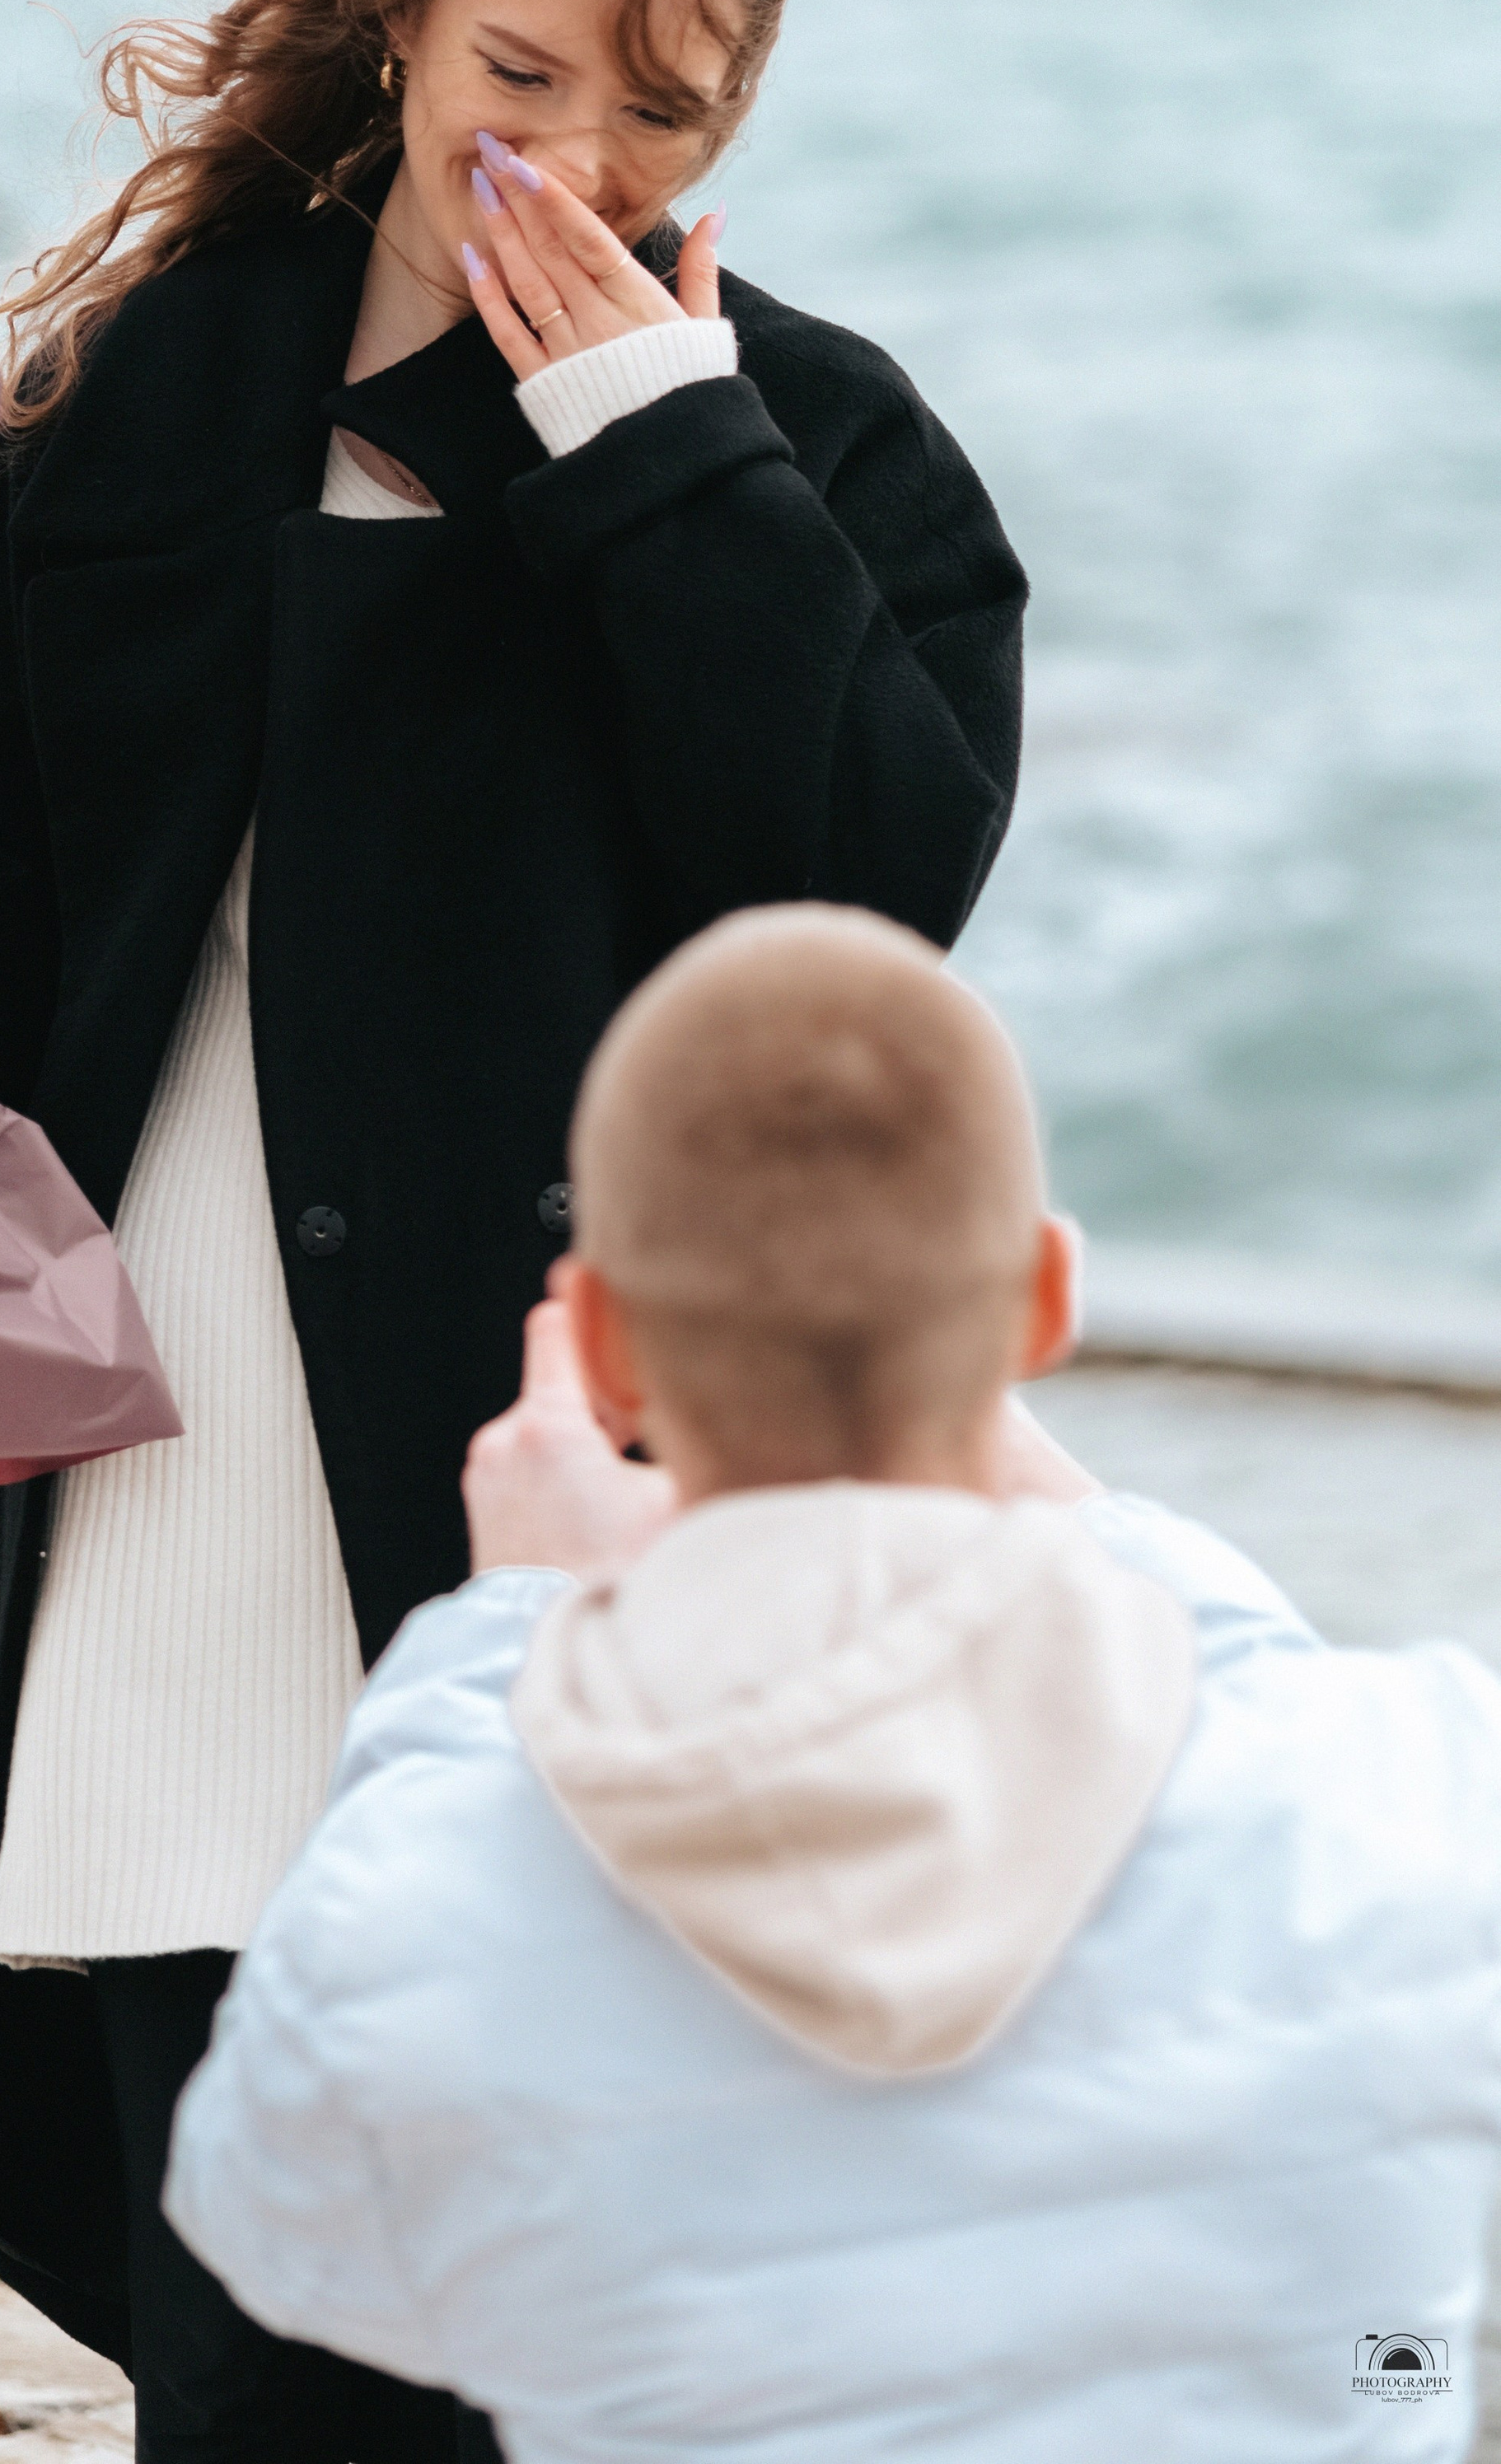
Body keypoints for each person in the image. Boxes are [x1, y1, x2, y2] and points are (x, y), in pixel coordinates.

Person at [0, 0, 1026, 2461]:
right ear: (397, 15)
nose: (577, 157)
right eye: (522, 69)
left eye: (665, 107)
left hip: (557, 1546)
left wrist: (648, 439)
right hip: (162, 1516)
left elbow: (869, 910)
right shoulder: (112, 402)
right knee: (251, 2363)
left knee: (553, 2343)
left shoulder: (814, 454)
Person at [169, 905, 1501, 2464]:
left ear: (598, 1338)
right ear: (1048, 1303)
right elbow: (1279, 1705)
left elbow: (283, 2238)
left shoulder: (427, 1910)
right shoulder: (1419, 1796)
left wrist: (501, 1629)